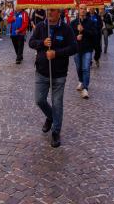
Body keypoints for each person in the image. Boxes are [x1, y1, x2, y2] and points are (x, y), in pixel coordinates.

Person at [29, 8, 77, 148]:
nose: (50, 13)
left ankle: (56, 132)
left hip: (59, 73)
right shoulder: (40, 27)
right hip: (42, 71)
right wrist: (42, 43)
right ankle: (50, 116)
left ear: (59, 12)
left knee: (57, 103)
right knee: (39, 100)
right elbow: (31, 42)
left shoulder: (66, 29)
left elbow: (74, 48)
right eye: (48, 10)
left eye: (53, 11)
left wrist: (57, 53)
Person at [71, 4, 96, 99]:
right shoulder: (73, 23)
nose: (83, 10)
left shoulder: (90, 22)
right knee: (79, 67)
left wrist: (83, 30)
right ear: (78, 10)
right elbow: (69, 36)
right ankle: (81, 81)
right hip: (77, 49)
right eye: (81, 9)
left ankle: (85, 88)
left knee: (86, 68)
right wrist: (76, 37)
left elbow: (94, 34)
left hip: (87, 49)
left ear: (87, 10)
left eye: (85, 9)